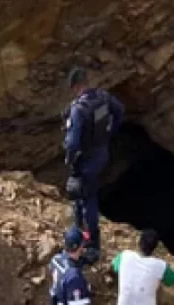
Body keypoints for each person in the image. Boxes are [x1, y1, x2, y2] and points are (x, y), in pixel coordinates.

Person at [64, 67, 125, 263]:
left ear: (75, 87)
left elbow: (73, 143)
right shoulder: (103, 97)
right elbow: (120, 110)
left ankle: (92, 240)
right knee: (85, 192)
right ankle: (80, 223)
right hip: (102, 153)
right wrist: (110, 133)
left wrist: (70, 159)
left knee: (88, 196)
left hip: (87, 159)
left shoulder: (78, 109)